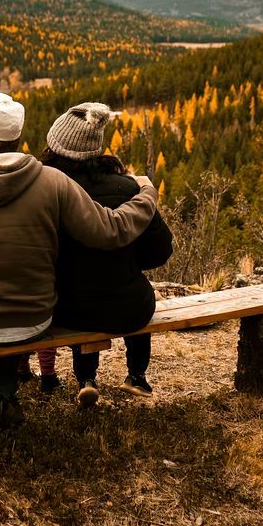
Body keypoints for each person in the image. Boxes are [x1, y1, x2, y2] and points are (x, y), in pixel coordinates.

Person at [0, 91, 159, 430]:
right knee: (2, 317)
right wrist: (146, 195)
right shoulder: (52, 182)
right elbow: (110, 230)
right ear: (17, 138)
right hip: (35, 320)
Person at [42, 102, 173, 407]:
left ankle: (86, 379)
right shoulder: (128, 189)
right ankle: (137, 376)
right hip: (127, 308)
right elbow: (159, 251)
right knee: (137, 290)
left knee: (78, 289)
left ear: (55, 147)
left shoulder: (47, 192)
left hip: (67, 311)